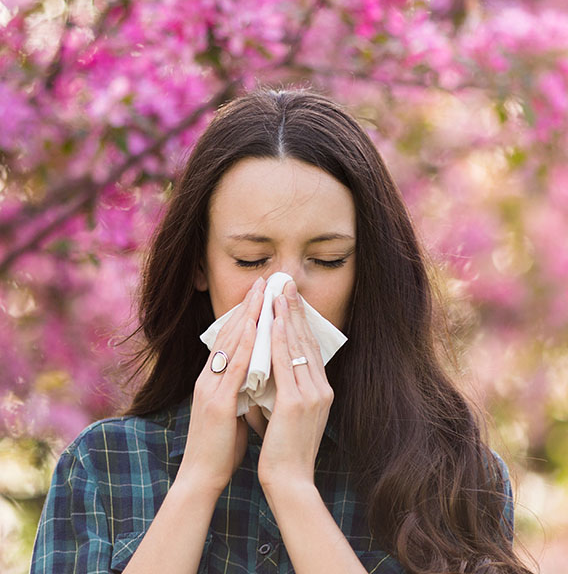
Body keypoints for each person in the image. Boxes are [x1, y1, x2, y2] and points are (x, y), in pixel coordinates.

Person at [30, 89, 533, 574]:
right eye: (251, 259)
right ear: (199, 266)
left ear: (366, 271)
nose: (285, 291)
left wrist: (292, 487)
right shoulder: (102, 467)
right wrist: (198, 482)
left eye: (327, 260)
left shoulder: (454, 479)